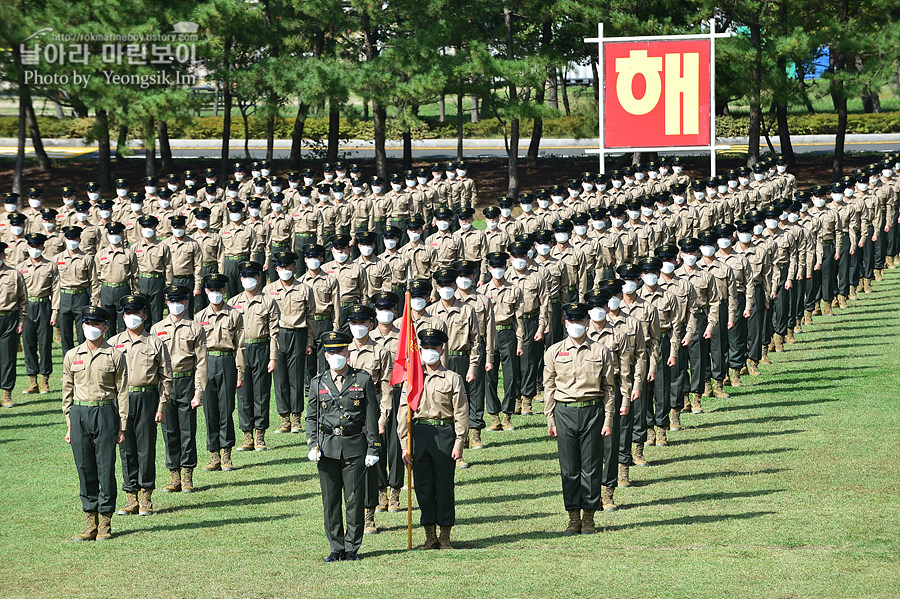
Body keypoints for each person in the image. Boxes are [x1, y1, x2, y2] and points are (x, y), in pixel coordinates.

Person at [306, 331, 380, 562]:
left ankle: (351, 548)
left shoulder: (363, 380)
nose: (336, 355)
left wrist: (373, 448)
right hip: (327, 448)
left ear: (348, 352)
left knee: (354, 500)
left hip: (354, 447)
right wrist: (312, 443)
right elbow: (311, 417)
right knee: (330, 501)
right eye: (331, 351)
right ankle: (336, 547)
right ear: (325, 355)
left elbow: (371, 417)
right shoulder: (318, 382)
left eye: (340, 351)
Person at [543, 302, 616, 535]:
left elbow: (609, 389)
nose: (575, 325)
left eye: (579, 320)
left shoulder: (600, 351)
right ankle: (573, 517)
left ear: (587, 322)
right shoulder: (553, 351)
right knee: (569, 468)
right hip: (564, 412)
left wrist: (608, 420)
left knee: (592, 467)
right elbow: (549, 387)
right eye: (571, 320)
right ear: (565, 323)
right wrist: (550, 419)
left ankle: (589, 517)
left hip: (592, 411)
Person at [397, 328, 469, 550]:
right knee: (423, 486)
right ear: (419, 350)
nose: (430, 352)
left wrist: (459, 443)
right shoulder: (412, 378)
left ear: (442, 349)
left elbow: (461, 414)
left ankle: (445, 534)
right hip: (420, 435)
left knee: (444, 486)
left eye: (434, 348)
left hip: (444, 434)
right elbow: (403, 413)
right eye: (425, 348)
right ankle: (429, 534)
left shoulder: (453, 378)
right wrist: (404, 445)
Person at [62, 305, 128, 541]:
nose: (92, 328)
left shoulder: (115, 355)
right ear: (82, 326)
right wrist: (70, 423)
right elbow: (67, 392)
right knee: (84, 467)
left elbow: (122, 392)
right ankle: (90, 520)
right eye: (88, 324)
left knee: (105, 467)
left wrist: (122, 425)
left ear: (105, 327)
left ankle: (106, 521)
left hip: (105, 413)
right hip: (80, 414)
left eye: (96, 324)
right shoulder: (72, 355)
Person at [108, 295, 172, 517]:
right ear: (123, 316)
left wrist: (161, 406)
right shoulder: (114, 343)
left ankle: (146, 495)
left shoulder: (155, 342)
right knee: (126, 448)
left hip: (147, 398)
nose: (132, 317)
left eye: (136, 313)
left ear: (144, 315)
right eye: (128, 313)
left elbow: (166, 377)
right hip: (122, 400)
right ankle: (131, 496)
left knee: (146, 448)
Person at [151, 285, 208, 494]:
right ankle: (173, 475)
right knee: (169, 431)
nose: (175, 304)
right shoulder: (157, 329)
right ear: (166, 302)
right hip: (165, 384)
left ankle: (187, 475)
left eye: (179, 301)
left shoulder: (195, 328)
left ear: (186, 302)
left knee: (187, 431)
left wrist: (198, 392)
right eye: (171, 300)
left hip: (186, 382)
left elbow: (201, 363)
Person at [346, 304, 392, 534]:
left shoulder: (381, 352)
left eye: (362, 323)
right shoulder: (343, 352)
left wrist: (382, 418)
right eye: (354, 323)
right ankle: (352, 513)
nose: (358, 327)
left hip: (371, 415)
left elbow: (386, 389)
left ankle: (369, 515)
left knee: (371, 464)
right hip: (346, 417)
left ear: (371, 325)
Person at [195, 274, 244, 472]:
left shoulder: (234, 314)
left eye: (219, 290)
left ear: (224, 291)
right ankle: (213, 453)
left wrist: (240, 372)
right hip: (207, 362)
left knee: (226, 408)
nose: (215, 293)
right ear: (206, 291)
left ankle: (226, 453)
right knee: (210, 410)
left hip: (226, 361)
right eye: (211, 290)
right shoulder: (199, 317)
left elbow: (240, 346)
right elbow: (196, 350)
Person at [262, 251, 315, 435]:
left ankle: (296, 418)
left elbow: (310, 318)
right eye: (281, 267)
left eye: (288, 266)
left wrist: (309, 342)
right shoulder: (268, 290)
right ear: (276, 269)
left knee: (296, 377)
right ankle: (284, 417)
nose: (285, 270)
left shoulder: (305, 289)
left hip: (298, 335)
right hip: (277, 336)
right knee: (280, 378)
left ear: (295, 268)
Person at [230, 261, 280, 451]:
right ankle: (247, 435)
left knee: (261, 393)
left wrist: (273, 357)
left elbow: (275, 332)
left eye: (252, 276)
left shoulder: (268, 301)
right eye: (244, 276)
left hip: (261, 348)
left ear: (259, 278)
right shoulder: (233, 303)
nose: (248, 280)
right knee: (243, 393)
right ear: (240, 278)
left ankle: (260, 434)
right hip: (241, 351)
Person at [20, 233, 58, 397]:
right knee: (28, 345)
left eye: (38, 246)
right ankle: (32, 381)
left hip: (44, 306)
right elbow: (18, 292)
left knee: (44, 344)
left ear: (43, 247)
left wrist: (55, 312)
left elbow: (56, 290)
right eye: (32, 246)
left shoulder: (51, 266)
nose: (34, 249)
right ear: (28, 247)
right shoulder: (21, 267)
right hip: (27, 307)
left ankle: (45, 380)